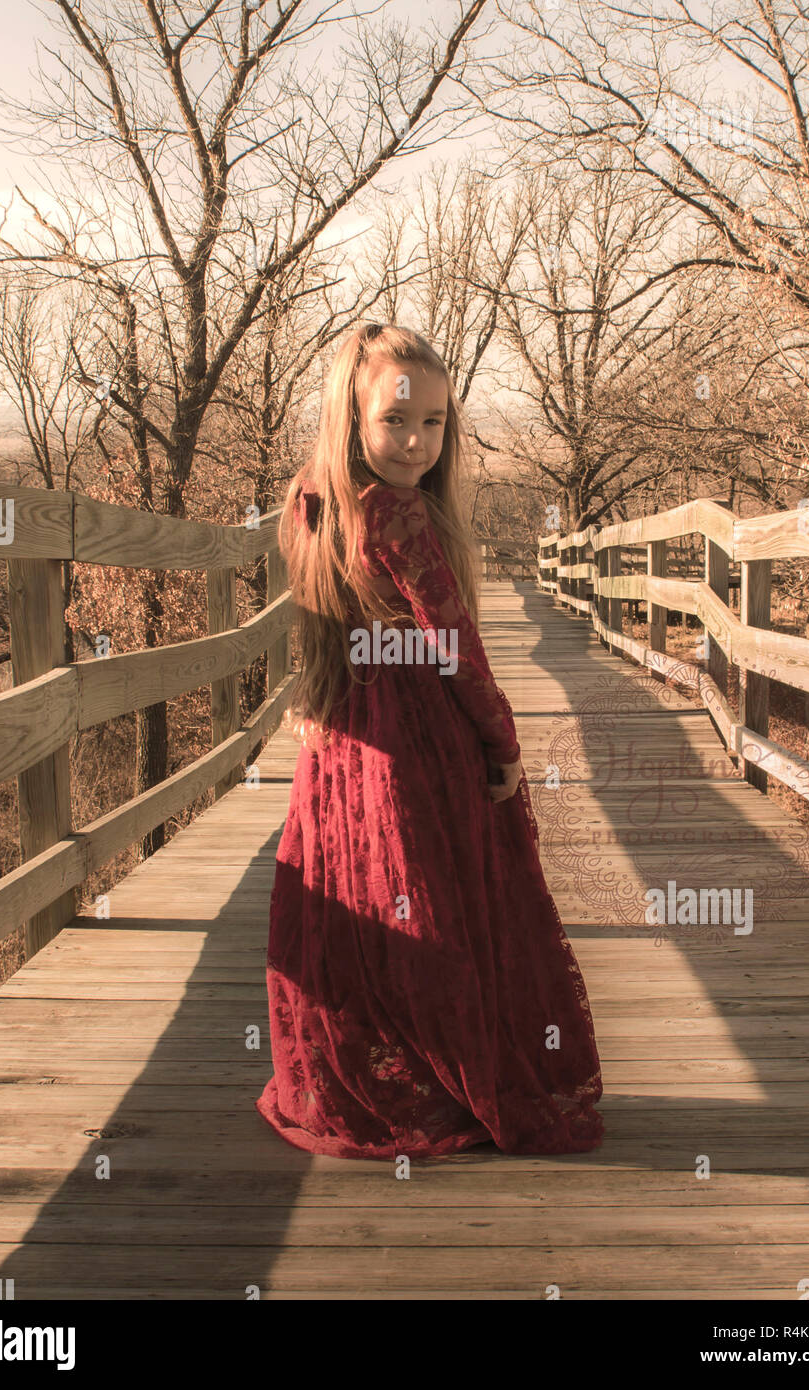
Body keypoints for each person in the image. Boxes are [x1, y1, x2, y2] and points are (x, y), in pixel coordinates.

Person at [255, 322, 604, 1159]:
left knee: (367, 904)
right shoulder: (401, 515)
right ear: (352, 419)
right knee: (434, 905)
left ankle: (373, 1078)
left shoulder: (310, 498)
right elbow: (454, 647)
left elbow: (316, 627)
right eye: (395, 422)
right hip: (416, 737)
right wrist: (503, 744)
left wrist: (310, 696)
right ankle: (446, 1082)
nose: (415, 443)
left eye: (434, 424)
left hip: (341, 741)